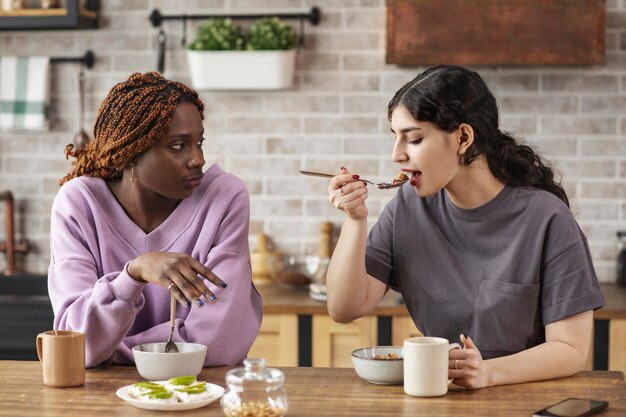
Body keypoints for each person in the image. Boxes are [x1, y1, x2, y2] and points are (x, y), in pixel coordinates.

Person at [325, 65, 605, 389]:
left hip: (526, 402)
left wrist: (487, 372)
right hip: (440, 400)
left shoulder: (548, 220)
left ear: (462, 137)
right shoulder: (408, 207)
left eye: (414, 139)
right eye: (395, 137)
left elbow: (570, 350)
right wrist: (355, 220)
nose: (396, 155)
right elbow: (344, 308)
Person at [48, 72, 262, 368]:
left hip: (201, 392)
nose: (198, 158)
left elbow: (217, 343)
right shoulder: (79, 204)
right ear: (131, 154)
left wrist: (109, 350)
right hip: (101, 399)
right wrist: (132, 276)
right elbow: (74, 343)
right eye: (178, 146)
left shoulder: (224, 198)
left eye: (199, 142)